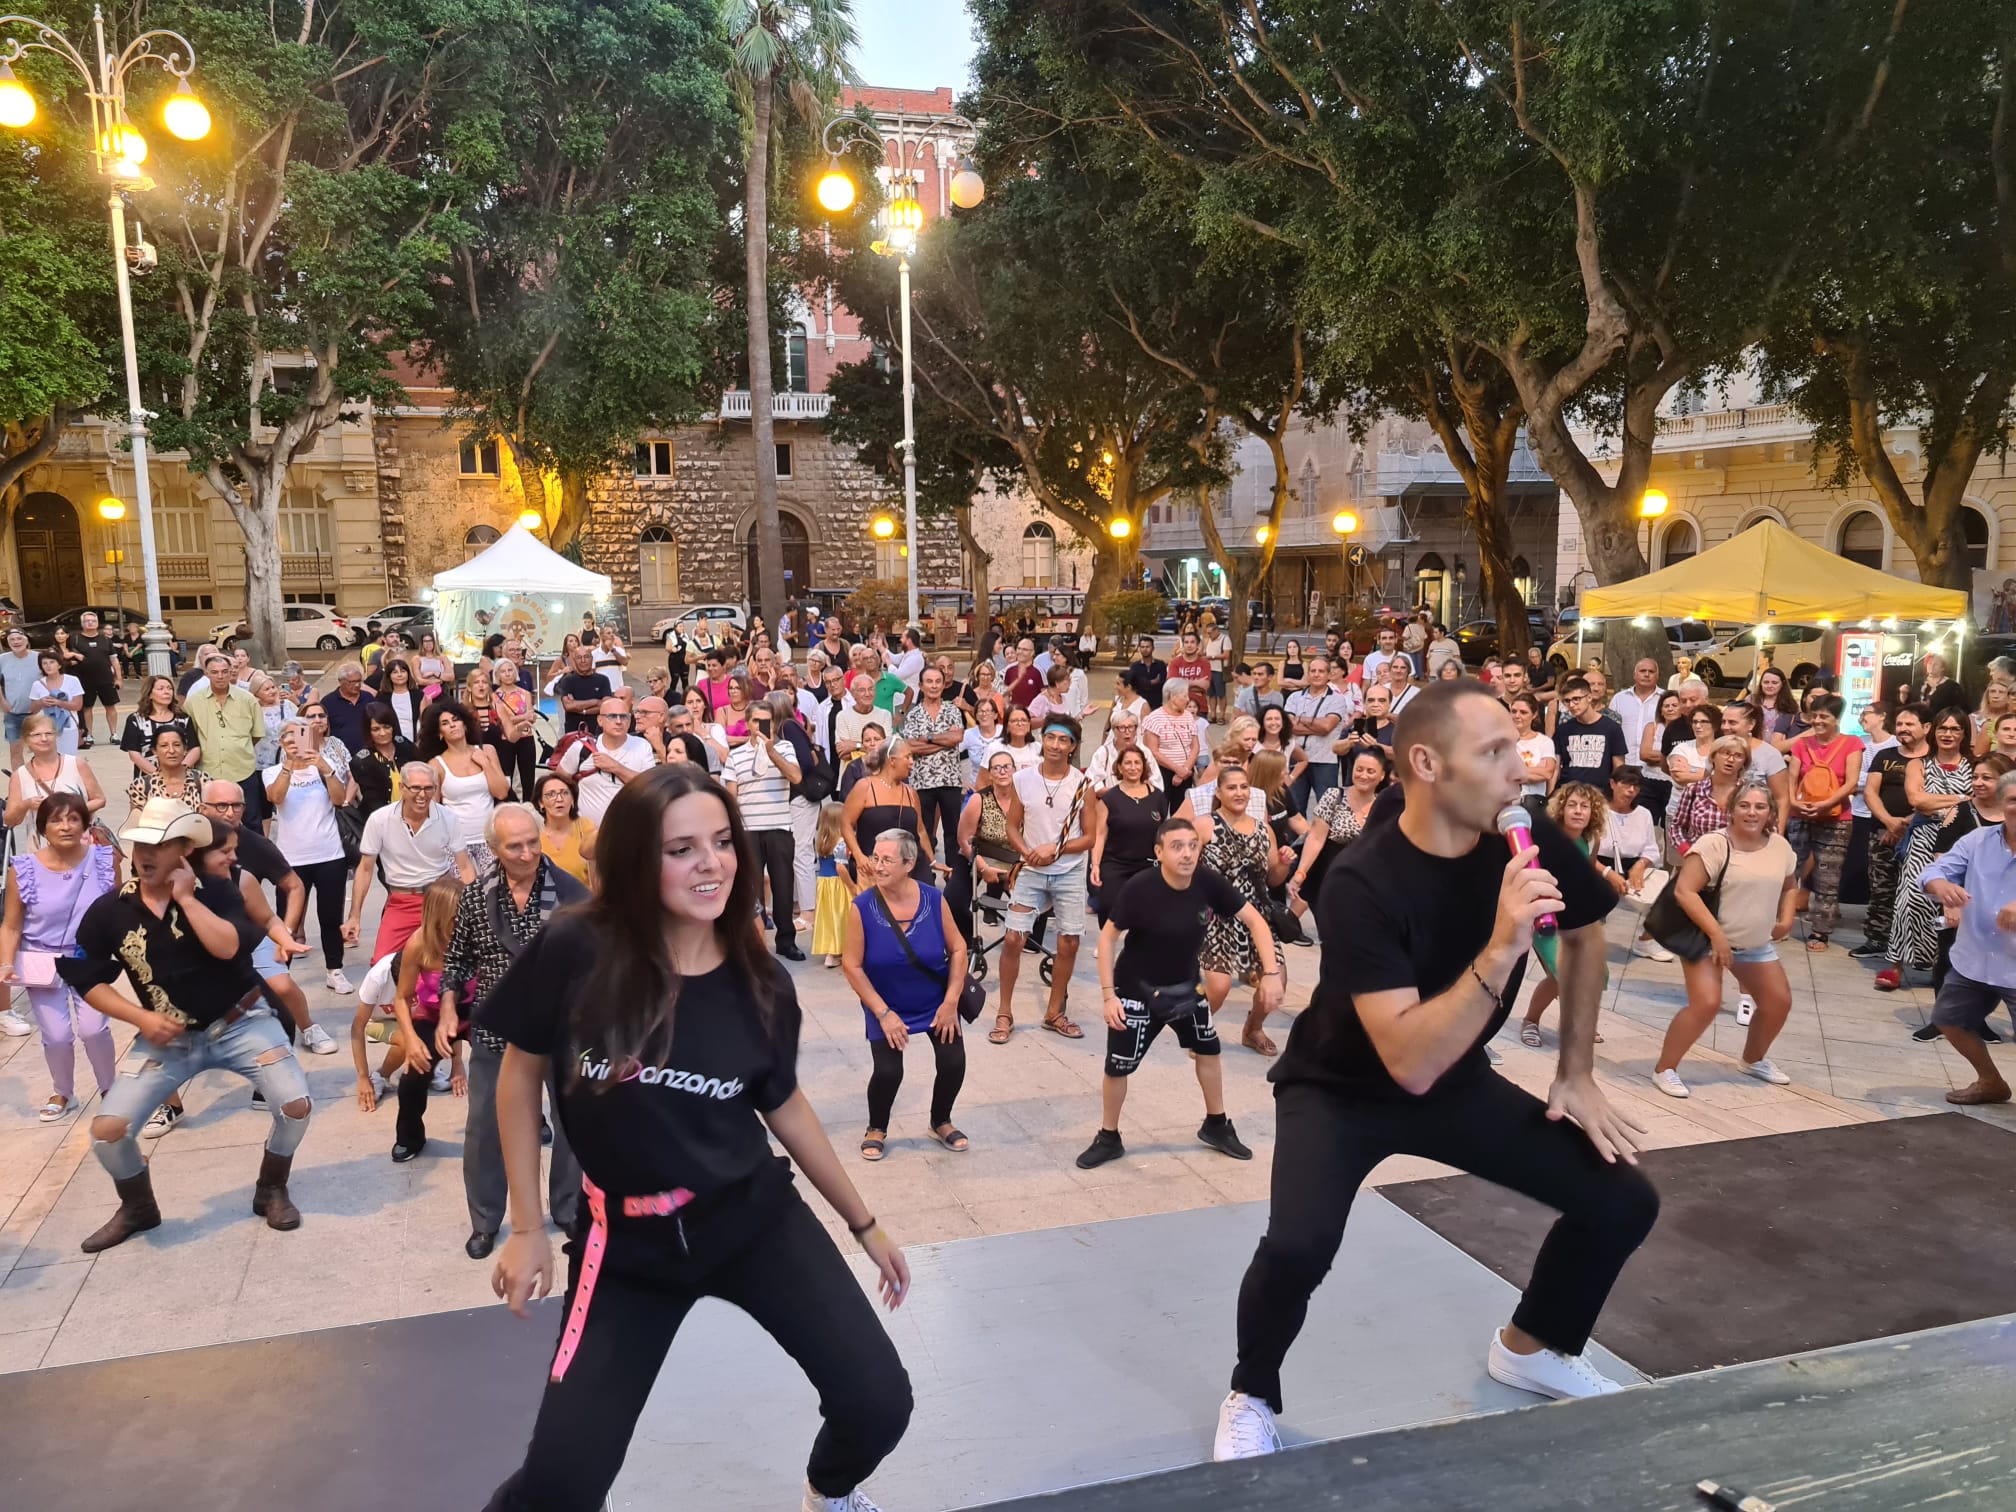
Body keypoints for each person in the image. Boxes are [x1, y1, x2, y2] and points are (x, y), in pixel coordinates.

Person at [1211, 682, 1656, 1462]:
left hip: (1454, 1073)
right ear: (1425, 764)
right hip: (1343, 1088)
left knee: (1621, 1199)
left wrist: (1575, 1072)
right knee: (1298, 1247)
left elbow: (1585, 935)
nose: (1520, 769)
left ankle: (1533, 1346)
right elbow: (1408, 1062)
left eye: (1516, 745)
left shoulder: (1518, 833)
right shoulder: (1359, 881)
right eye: (1493, 752)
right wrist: (1504, 943)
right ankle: (1251, 1392)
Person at [478, 765, 913, 1512]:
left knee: (878, 1403)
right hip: (626, 1249)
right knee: (560, 1487)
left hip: (751, 1221)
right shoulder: (576, 946)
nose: (709, 863)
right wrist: (525, 1226)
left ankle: (829, 1494)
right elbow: (518, 1079)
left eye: (721, 842)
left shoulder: (761, 982)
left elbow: (785, 1107)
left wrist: (864, 1222)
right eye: (681, 849)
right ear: (637, 858)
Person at [64, 798, 314, 1253]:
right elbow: (85, 979)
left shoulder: (217, 890)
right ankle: (138, 1207)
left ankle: (271, 1187)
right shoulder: (109, 911)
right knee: (107, 1133)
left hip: (242, 1022)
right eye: (142, 843)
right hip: (169, 1041)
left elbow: (227, 948)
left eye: (161, 844)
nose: (147, 853)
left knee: (296, 1105)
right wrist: (139, 1017)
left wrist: (184, 897)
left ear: (183, 850)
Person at [1079, 815, 1277, 1172]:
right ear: (1160, 852)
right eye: (1177, 847)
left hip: (1187, 987)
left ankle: (1216, 1124)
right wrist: (1108, 996)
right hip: (1136, 990)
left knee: (1208, 1049)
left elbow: (1256, 921)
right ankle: (1109, 1137)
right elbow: (1108, 938)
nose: (1186, 854)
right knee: (1117, 1066)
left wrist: (1272, 973)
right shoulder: (1141, 887)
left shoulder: (1207, 882)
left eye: (1192, 846)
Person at [440, 803, 587, 1261]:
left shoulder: (572, 896)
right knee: (484, 1128)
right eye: (514, 845)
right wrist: (448, 1008)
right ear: (493, 849)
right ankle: (485, 1221)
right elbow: (457, 962)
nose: (526, 853)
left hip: (561, 1031)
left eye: (531, 841)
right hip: (496, 1030)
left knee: (574, 1126)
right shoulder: (474, 898)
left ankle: (569, 1210)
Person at [1650, 779, 1800, 1098]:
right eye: (1744, 805)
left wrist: (1786, 920)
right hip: (1706, 940)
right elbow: (1684, 891)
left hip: (1754, 943)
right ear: (1731, 811)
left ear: (1771, 813)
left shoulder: (1780, 847)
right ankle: (1665, 1068)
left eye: (1760, 806)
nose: (1752, 812)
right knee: (1706, 1003)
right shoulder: (1714, 844)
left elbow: (1790, 885)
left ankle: (1753, 1059)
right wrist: (1716, 935)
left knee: (1778, 1002)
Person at [843, 829, 970, 1160]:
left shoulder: (933, 898)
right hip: (885, 1003)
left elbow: (958, 948)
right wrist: (884, 1014)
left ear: (909, 863)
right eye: (875, 858)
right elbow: (852, 966)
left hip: (935, 1000)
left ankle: (940, 1120)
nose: (878, 866)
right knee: (888, 1071)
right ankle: (877, 1127)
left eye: (887, 859)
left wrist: (951, 1002)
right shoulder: (863, 906)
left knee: (953, 1061)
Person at [0, 792, 120, 1119]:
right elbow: (11, 925)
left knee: (94, 1029)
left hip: (88, 958)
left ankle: (111, 1089)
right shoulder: (22, 869)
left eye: (73, 819)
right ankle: (63, 1092)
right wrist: (7, 963)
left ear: (84, 824)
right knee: (56, 1036)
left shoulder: (102, 860)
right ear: (42, 828)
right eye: (56, 819)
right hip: (42, 960)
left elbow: (117, 910)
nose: (65, 826)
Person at [1918, 767, 2016, 1103]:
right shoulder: (1977, 841)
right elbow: (1933, 871)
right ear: (2003, 803)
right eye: (2014, 799)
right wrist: (1941, 884)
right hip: (1974, 957)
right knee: (1948, 1020)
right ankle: (1991, 1082)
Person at [1196, 766, 1294, 1056]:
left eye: (1243, 787)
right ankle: (1200, 1028)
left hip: (1256, 917)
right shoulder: (1204, 825)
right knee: (1219, 986)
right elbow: (1182, 866)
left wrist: (1285, 865)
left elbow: (1273, 879)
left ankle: (1253, 1028)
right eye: (1231, 788)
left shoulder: (1264, 830)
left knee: (1277, 982)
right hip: (1215, 916)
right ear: (1219, 792)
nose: (1238, 793)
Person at [1880, 707, 1976, 991]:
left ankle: (1943, 966)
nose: (1948, 734)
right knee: (1910, 899)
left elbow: (1980, 801)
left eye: (1954, 729)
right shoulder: (1919, 764)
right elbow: (1917, 800)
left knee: (1955, 903)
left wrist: (1940, 801)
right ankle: (1896, 963)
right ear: (1933, 731)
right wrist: (1961, 798)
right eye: (1943, 728)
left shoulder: (1974, 764)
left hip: (1963, 840)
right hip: (1924, 837)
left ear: (1963, 734)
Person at [345, 760, 476, 964]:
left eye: (428, 788)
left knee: (450, 963)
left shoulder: (448, 817)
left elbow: (465, 866)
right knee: (382, 966)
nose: (422, 795)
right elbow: (365, 869)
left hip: (439, 899)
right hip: (401, 901)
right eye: (415, 788)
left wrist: (475, 909)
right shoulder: (380, 819)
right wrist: (355, 916)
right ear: (402, 788)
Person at [381, 874, 469, 1162]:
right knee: (413, 1076)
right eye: (457, 916)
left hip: (477, 1009)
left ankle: (533, 1122)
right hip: (432, 1015)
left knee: (508, 1067)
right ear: (439, 915)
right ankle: (410, 1137)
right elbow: (402, 998)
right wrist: (411, 1039)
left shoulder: (478, 935)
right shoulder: (418, 944)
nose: (464, 921)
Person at [263, 715, 354, 993]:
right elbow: (276, 798)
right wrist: (290, 766)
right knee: (287, 918)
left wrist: (325, 768)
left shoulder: (324, 767)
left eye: (301, 735)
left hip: (328, 853)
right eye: (289, 736)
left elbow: (340, 800)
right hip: (291, 858)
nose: (295, 741)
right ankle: (282, 972)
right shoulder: (273, 771)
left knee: (330, 917)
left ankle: (334, 970)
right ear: (281, 742)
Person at [723, 692, 805, 960]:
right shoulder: (735, 756)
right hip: (748, 830)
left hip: (780, 826)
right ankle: (755, 941)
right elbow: (731, 797)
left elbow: (795, 776)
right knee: (752, 889)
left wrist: (770, 750)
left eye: (767, 722)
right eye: (757, 722)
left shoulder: (785, 748)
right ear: (748, 723)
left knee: (783, 887)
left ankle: (786, 941)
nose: (762, 727)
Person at [1786, 692, 1862, 951]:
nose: (1817, 721)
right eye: (1814, 716)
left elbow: (1851, 782)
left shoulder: (1851, 744)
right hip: (1801, 813)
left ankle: (1821, 930)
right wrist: (1793, 802)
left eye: (1824, 716)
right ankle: (1780, 921)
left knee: (1828, 877)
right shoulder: (1802, 744)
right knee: (1788, 869)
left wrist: (1827, 803)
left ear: (1836, 718)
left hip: (1836, 818)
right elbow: (1792, 775)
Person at [1288, 747, 1388, 929]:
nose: (1363, 775)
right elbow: (1316, 839)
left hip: (1364, 885)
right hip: (1329, 880)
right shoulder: (1334, 796)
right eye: (1359, 769)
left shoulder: (1384, 805)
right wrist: (1300, 874)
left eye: (1370, 771)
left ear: (1382, 776)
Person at [1858, 704, 1925, 960]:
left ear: (1926, 727)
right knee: (1881, 890)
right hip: (1881, 833)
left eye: (1910, 724)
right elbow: (1870, 792)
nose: (1903, 729)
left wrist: (1904, 825)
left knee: (1916, 894)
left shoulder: (1931, 760)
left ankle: (1915, 948)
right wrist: (1889, 822)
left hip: (1920, 836)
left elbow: (1932, 797)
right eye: (1900, 724)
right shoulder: (1884, 756)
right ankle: (1876, 940)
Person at [422, 699, 512, 867]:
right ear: (439, 732)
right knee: (463, 891)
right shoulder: (435, 764)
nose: (452, 725)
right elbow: (433, 808)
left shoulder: (487, 751)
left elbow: (501, 792)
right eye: (445, 723)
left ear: (465, 724)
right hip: (455, 842)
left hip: (489, 838)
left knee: (492, 889)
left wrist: (485, 764)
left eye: (456, 720)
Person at [4, 713, 104, 861]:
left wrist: (70, 811)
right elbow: (10, 820)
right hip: (41, 850)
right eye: (36, 735)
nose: (43, 739)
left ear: (56, 736)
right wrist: (26, 804)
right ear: (26, 741)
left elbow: (99, 799)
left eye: (48, 733)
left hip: (80, 843)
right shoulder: (20, 775)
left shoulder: (77, 764)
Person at [185, 651, 265, 825]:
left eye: (224, 671)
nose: (220, 676)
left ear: (231, 672)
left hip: (243, 770)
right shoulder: (193, 702)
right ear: (206, 674)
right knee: (211, 823)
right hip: (209, 771)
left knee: (251, 822)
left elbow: (256, 734)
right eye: (214, 672)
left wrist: (236, 749)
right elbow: (191, 736)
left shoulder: (248, 700)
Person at [902, 665, 967, 869]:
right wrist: (943, 741)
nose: (934, 685)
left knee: (953, 832)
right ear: (921, 685)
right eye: (929, 681)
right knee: (924, 832)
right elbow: (910, 746)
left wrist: (928, 738)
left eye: (938, 681)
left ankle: (954, 878)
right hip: (922, 783)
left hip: (950, 781)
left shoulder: (952, 710)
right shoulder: (913, 714)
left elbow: (957, 737)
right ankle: (925, 877)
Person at [556, 699, 655, 826]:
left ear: (630, 720)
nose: (619, 721)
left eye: (624, 716)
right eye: (612, 716)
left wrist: (616, 767)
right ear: (600, 720)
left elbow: (650, 786)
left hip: (630, 831)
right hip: (586, 833)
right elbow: (558, 780)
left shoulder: (642, 746)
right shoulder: (581, 748)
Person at [1285, 657, 1350, 817]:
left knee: (1327, 810)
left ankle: (1326, 842)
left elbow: (1327, 727)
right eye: (1313, 671)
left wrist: (1300, 719)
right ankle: (1295, 842)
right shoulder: (1294, 697)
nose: (1316, 674)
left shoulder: (1337, 699)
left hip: (1324, 761)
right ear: (1307, 674)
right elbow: (1287, 727)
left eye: (1321, 671)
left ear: (1329, 675)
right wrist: (1316, 725)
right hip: (1296, 759)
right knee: (1294, 808)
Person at [1553, 676, 1627, 795]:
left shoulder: (1612, 728)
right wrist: (1550, 795)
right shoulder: (1563, 729)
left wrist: (1616, 796)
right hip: (1569, 792)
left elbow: (1619, 767)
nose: (1572, 704)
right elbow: (1556, 767)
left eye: (1576, 699)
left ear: (1589, 697)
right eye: (1567, 701)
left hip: (1601, 794)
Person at [120, 674, 199, 781]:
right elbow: (134, 754)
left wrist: (181, 771)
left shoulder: (183, 719)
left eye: (169, 688)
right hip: (148, 779)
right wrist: (160, 776)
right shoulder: (136, 720)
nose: (167, 692)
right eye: (161, 689)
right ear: (150, 694)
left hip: (181, 778)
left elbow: (194, 748)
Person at [1141, 678, 1203, 811]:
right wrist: (1177, 769)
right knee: (1159, 810)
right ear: (1173, 697)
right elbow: (1153, 751)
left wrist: (1184, 770)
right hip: (1163, 771)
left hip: (1186, 771)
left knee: (1181, 811)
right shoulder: (1154, 718)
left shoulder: (1188, 716)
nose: (1188, 699)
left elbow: (1195, 747)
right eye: (1185, 695)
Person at [811, 802, 857, 968]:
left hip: (824, 883)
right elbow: (841, 868)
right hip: (839, 884)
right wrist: (852, 886)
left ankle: (830, 954)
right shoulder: (842, 842)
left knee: (828, 917)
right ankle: (845, 950)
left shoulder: (821, 838)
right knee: (843, 915)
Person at [351, 704, 418, 818]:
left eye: (386, 727)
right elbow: (374, 803)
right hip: (385, 820)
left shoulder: (404, 745)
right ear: (368, 731)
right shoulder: (362, 762)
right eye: (376, 729)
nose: (382, 733)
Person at [533, 772, 597, 887]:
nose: (559, 799)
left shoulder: (586, 827)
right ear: (541, 803)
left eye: (565, 793)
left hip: (581, 900)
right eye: (551, 794)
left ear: (572, 800)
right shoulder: (533, 831)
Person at [70, 609, 123, 746]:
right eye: (87, 621)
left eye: (93, 621)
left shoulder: (105, 639)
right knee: (87, 708)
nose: (90, 623)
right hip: (84, 679)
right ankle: (89, 735)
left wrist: (118, 678)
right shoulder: (75, 639)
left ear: (98, 623)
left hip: (105, 678)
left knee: (110, 706)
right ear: (82, 623)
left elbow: (114, 660)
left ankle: (114, 734)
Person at [124, 726, 206, 814]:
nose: (171, 751)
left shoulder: (202, 781)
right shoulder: (142, 786)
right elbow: (135, 824)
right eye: (164, 746)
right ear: (154, 751)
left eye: (177, 745)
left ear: (185, 749)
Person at [28, 648, 83, 754]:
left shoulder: (72, 680)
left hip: (69, 726)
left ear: (59, 665)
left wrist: (59, 703)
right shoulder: (37, 684)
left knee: (69, 758)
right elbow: (32, 709)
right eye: (44, 663)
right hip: (45, 728)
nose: (48, 666)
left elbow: (78, 705)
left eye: (52, 662)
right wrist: (41, 702)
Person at [1511, 692, 1557, 812]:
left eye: (1523, 712)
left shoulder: (1544, 742)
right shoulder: (1502, 740)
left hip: (1533, 803)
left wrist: (1511, 771)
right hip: (1505, 801)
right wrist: (1534, 771)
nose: (1517, 715)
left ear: (1534, 714)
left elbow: (1546, 774)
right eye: (1514, 711)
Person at [554, 643, 613, 736]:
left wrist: (582, 710)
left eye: (586, 657)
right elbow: (569, 706)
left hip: (598, 733)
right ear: (574, 660)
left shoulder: (603, 680)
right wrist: (596, 702)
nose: (583, 661)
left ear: (592, 659)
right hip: (574, 733)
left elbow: (606, 706)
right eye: (579, 658)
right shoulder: (568, 680)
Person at [1911, 651, 1969, 722]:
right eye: (1929, 663)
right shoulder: (1918, 683)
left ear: (1943, 668)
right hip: (1919, 724)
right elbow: (1910, 704)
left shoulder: (1952, 686)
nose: (1931, 666)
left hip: (1942, 724)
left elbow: (1962, 709)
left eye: (1935, 664)